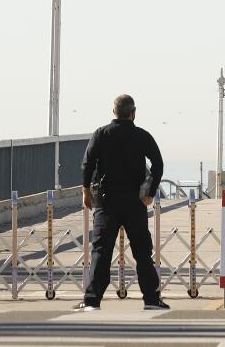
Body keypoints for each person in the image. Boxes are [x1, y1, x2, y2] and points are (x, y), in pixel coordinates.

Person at [76, 94, 169, 312]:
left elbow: (87, 163)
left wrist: (86, 190)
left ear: (114, 112)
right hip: (134, 202)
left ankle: (92, 300)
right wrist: (150, 193)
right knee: (142, 251)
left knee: (101, 249)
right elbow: (158, 163)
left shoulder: (101, 134)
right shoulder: (141, 136)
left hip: (107, 202)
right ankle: (151, 299)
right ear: (133, 112)